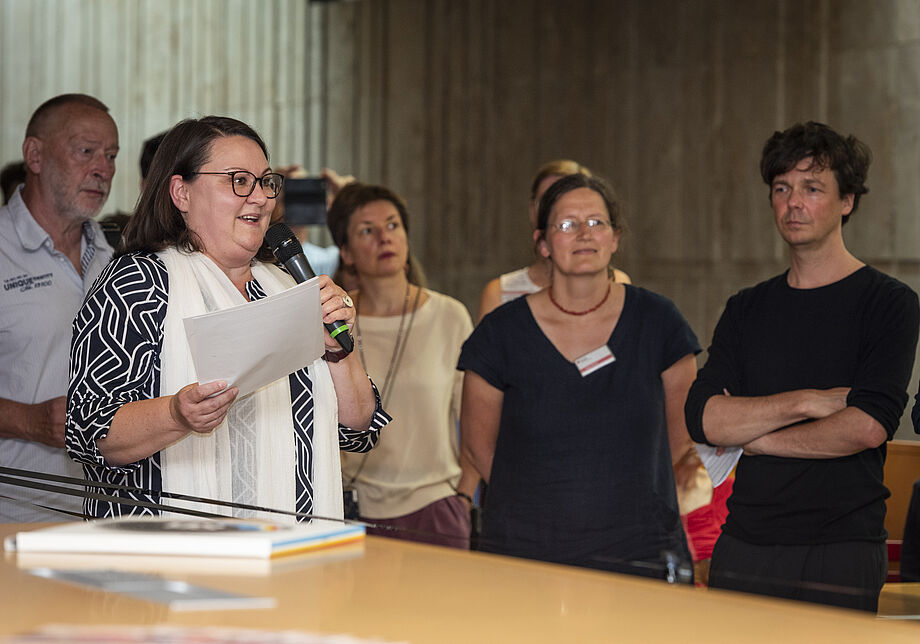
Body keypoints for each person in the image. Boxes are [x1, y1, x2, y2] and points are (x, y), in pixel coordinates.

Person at [66, 116, 390, 521]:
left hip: (291, 554)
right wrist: (176, 415)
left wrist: (339, 352)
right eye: (238, 181)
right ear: (181, 192)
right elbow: (88, 430)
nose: (259, 198)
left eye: (266, 181)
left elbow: (359, 427)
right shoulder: (139, 282)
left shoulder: (288, 286)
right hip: (163, 559)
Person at [685, 121, 920, 612]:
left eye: (813, 188)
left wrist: (758, 438)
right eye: (782, 188)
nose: (793, 202)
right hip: (746, 541)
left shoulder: (889, 303)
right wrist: (808, 401)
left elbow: (867, 426)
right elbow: (704, 417)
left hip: (841, 548)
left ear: (847, 201)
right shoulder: (746, 307)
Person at [459, 173, 699, 576]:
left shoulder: (658, 321)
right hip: (527, 550)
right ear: (543, 243)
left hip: (638, 548)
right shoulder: (501, 332)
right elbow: (478, 447)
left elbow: (680, 435)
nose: (584, 233)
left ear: (615, 238)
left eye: (597, 222)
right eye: (568, 224)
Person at [327, 183, 478, 548]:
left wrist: (464, 498)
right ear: (346, 252)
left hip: (435, 506)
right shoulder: (331, 320)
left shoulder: (448, 315)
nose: (384, 238)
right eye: (367, 230)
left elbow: (474, 417)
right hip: (351, 508)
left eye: (393, 226)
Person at [0, 94, 118, 521]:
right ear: (35, 155)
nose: (102, 168)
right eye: (86, 151)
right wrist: (30, 421)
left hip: (109, 516)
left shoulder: (115, 260)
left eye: (110, 155)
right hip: (16, 517)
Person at [477, 159, 630, 321]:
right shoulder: (501, 292)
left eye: (594, 221)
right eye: (547, 201)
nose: (583, 233)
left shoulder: (619, 285)